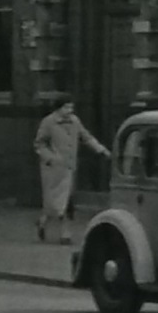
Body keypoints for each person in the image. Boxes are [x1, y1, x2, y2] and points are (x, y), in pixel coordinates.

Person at [34, 94, 110, 244]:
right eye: (66, 107)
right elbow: (39, 144)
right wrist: (51, 158)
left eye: (71, 107)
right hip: (54, 170)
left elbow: (86, 137)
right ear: (58, 108)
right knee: (54, 202)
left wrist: (101, 150)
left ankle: (63, 231)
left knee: (67, 201)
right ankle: (46, 223)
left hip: (69, 168)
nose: (70, 110)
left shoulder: (75, 121)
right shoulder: (49, 122)